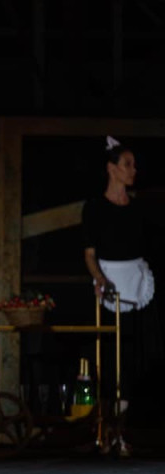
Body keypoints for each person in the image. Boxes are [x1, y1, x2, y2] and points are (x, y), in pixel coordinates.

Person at [82, 136, 164, 452]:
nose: (133, 170)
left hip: (136, 282)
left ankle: (121, 428)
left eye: (133, 165)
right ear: (111, 169)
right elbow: (90, 253)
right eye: (127, 164)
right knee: (108, 355)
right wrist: (100, 279)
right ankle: (102, 427)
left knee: (134, 354)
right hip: (110, 283)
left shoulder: (138, 209)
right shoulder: (95, 209)